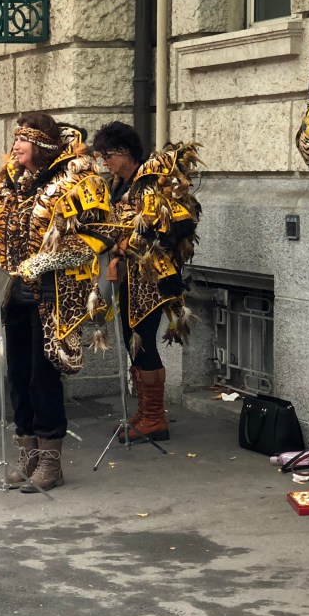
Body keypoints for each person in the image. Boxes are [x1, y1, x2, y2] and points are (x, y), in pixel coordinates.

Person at [0, 113, 110, 491]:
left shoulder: (77, 179)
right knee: (18, 375)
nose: (15, 146)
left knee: (43, 377)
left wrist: (42, 264)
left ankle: (51, 462)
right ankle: (28, 452)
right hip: (14, 293)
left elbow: (95, 238)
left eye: (23, 139)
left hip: (53, 294)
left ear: (40, 144)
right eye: (15, 139)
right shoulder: (8, 182)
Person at [93, 122, 202, 443]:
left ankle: (155, 419)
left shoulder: (151, 182)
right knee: (132, 341)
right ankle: (144, 413)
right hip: (128, 278)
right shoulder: (117, 184)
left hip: (150, 280)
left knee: (143, 342)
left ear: (125, 153)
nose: (104, 162)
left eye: (108, 155)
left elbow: (169, 228)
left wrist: (125, 245)